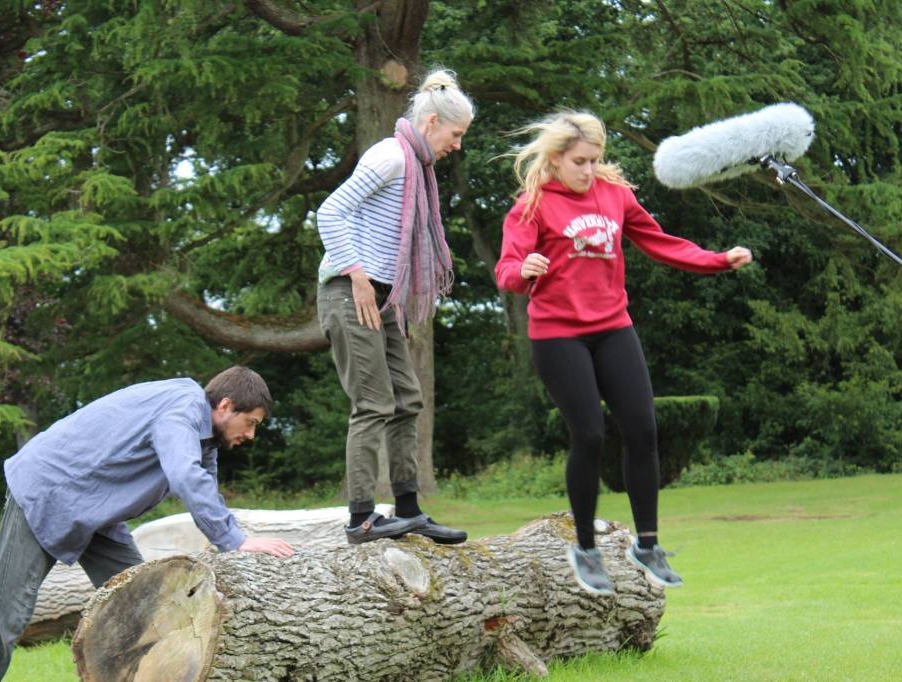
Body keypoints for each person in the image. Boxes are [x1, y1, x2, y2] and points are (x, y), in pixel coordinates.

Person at [495, 110, 753, 594]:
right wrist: (522, 271)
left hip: (613, 327)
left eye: (595, 160)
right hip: (557, 334)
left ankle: (647, 544)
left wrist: (718, 260)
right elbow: (507, 267)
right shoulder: (531, 205)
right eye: (579, 161)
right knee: (589, 435)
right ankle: (586, 549)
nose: (589, 170)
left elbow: (661, 243)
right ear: (554, 159)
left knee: (642, 429)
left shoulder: (615, 196)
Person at [0, 366, 294, 682]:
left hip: (94, 510)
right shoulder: (183, 410)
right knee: (4, 618)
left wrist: (229, 543)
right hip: (47, 490)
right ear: (226, 406)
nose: (251, 435)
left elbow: (204, 490)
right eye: (251, 423)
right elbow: (185, 476)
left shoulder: (205, 439)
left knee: (145, 609)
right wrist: (235, 540)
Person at [315, 69, 474, 544]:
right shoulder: (391, 157)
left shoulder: (417, 168)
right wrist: (357, 275)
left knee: (407, 398)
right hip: (350, 292)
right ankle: (362, 518)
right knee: (373, 403)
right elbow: (330, 210)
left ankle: (409, 509)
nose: (457, 145)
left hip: (384, 297)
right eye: (456, 134)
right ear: (430, 123)